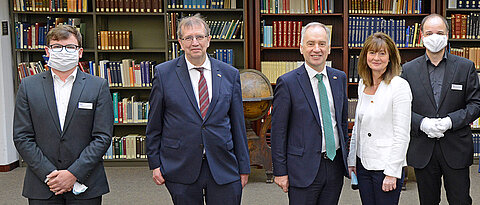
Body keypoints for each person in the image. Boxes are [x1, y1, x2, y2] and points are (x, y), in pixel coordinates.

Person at [146, 14, 250, 205]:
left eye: (199, 37)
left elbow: (238, 125)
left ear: (208, 40)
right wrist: (155, 164)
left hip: (223, 165)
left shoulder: (229, 74)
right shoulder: (163, 74)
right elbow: (154, 124)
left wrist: (244, 167)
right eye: (188, 38)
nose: (195, 42)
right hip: (180, 165)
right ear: (180, 42)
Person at [13, 25, 113, 204]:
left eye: (70, 47)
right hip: (43, 184)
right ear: (47, 51)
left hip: (86, 183)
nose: (63, 52)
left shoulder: (98, 86)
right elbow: (22, 136)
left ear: (80, 52)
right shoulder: (28, 86)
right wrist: (51, 175)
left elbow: (102, 137)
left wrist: (73, 173)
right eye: (57, 47)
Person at [401, 14, 480, 205]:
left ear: (447, 36)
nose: (434, 37)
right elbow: (401, 109)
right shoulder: (408, 70)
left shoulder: (465, 67)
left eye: (439, 33)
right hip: (423, 150)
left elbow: (475, 104)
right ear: (421, 36)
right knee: (428, 201)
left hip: (456, 149)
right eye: (429, 33)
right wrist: (422, 123)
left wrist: (450, 121)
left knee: (460, 200)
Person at [271, 22, 349, 204]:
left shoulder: (339, 78)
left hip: (334, 165)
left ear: (329, 48)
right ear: (301, 48)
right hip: (302, 168)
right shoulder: (287, 82)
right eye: (310, 43)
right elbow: (278, 132)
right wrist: (280, 171)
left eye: (322, 44)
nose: (316, 49)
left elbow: (342, 123)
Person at [347, 32, 412, 205]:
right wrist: (352, 159)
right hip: (363, 164)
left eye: (382, 53)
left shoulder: (399, 86)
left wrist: (392, 172)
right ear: (365, 56)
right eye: (372, 53)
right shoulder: (363, 84)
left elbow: (402, 134)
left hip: (386, 167)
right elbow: (358, 127)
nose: (377, 58)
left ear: (390, 57)